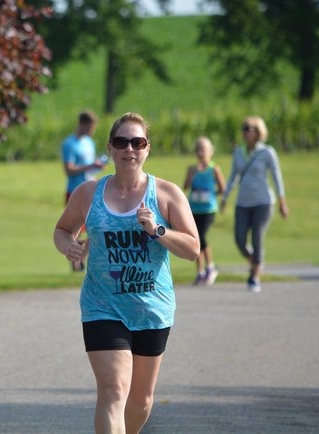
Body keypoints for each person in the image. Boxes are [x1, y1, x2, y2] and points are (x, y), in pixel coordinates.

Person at [54, 112, 199, 434]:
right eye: (121, 142)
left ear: (147, 148)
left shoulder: (166, 194)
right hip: (102, 306)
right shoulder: (88, 193)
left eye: (137, 142)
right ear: (110, 147)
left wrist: (158, 230)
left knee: (140, 401)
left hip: (152, 309)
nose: (129, 149)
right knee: (113, 390)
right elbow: (63, 229)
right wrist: (68, 246)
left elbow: (192, 248)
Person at [220, 116, 288, 293]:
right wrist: (225, 197)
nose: (245, 132)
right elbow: (233, 177)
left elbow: (276, 176)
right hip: (243, 202)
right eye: (243, 128)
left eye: (248, 128)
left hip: (263, 202)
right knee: (239, 239)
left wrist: (282, 200)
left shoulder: (267, 152)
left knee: (257, 236)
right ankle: (255, 262)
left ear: (258, 131)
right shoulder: (238, 152)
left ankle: (255, 275)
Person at [61, 110, 106, 271]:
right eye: (91, 127)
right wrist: (90, 166)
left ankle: (82, 259)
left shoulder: (89, 142)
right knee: (75, 230)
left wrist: (97, 166)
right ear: (84, 124)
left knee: (94, 228)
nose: (92, 131)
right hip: (74, 191)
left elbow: (90, 169)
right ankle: (75, 263)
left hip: (91, 190)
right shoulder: (69, 144)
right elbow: (69, 169)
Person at [183, 136, 226, 286]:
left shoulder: (214, 169)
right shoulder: (192, 169)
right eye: (198, 150)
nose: (201, 153)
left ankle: (211, 267)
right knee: (195, 238)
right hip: (194, 208)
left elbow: (222, 188)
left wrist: (210, 193)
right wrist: (191, 175)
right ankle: (200, 272)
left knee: (201, 236)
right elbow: (186, 187)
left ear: (211, 151)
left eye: (204, 149)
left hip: (208, 209)